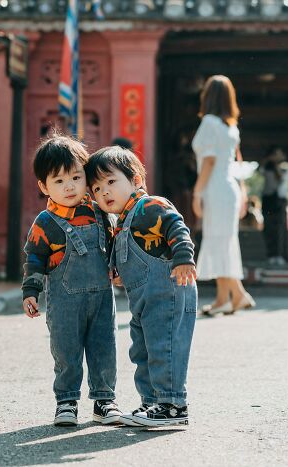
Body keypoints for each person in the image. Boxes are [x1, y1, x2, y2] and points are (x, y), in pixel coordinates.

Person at [86, 145, 197, 427]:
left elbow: (176, 226)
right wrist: (119, 271)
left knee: (164, 347)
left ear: (135, 180)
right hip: (143, 302)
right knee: (143, 350)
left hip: (168, 292)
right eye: (97, 189)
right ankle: (151, 403)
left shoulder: (149, 206)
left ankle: (172, 404)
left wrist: (184, 257)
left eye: (111, 182)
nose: (105, 192)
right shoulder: (121, 222)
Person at [21, 135, 122, 427]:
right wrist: (31, 291)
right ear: (44, 186)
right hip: (65, 303)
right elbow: (35, 259)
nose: (69, 187)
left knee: (105, 347)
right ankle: (66, 401)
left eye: (76, 178)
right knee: (66, 350)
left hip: (102, 298)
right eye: (59, 181)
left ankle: (105, 400)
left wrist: (116, 267)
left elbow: (114, 243)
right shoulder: (45, 223)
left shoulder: (100, 213)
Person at [191, 75, 255, 315]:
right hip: (230, 188)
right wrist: (244, 194)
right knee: (224, 241)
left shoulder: (209, 122)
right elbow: (236, 163)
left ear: (207, 96)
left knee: (218, 240)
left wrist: (197, 193)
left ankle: (233, 296)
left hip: (215, 188)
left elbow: (208, 161)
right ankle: (228, 297)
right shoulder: (231, 127)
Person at [261, 147, 288, 265]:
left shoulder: (286, 167)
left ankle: (281, 255)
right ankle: (271, 254)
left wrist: (276, 164)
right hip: (268, 199)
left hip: (280, 199)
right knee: (268, 227)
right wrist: (269, 160)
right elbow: (261, 170)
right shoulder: (266, 167)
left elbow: (282, 179)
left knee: (281, 228)